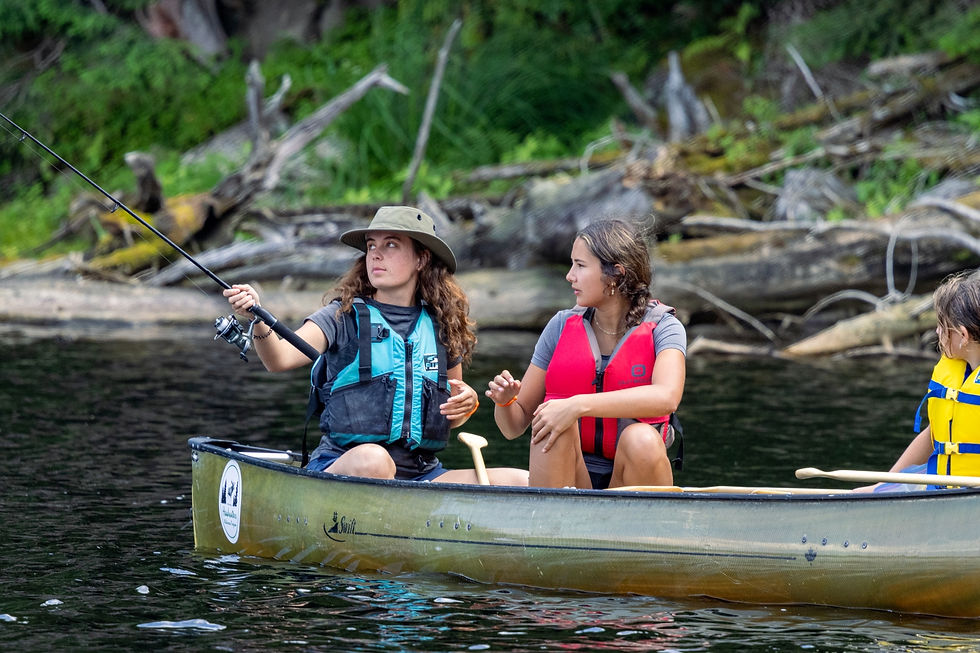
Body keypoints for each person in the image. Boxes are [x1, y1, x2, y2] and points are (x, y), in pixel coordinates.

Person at [224, 205, 527, 486]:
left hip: (422, 475)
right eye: (371, 246)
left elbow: (452, 414)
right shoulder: (341, 315)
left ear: (421, 259)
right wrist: (257, 319)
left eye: (391, 245)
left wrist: (468, 403)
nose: (376, 255)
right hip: (349, 465)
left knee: (521, 480)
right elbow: (279, 358)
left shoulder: (441, 325)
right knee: (375, 461)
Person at [486, 219, 686, 489]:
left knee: (641, 438)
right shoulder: (559, 326)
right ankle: (554, 514)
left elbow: (667, 397)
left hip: (631, 476)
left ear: (615, 274)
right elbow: (513, 427)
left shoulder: (665, 327)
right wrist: (505, 403)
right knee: (553, 421)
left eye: (580, 265)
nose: (570, 276)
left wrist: (576, 405)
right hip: (571, 475)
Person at [857, 269, 980, 492]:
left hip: (969, 492)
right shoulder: (960, 370)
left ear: (963, 336)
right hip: (945, 484)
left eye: (942, 325)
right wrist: (882, 484)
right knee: (872, 492)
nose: (937, 331)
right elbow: (933, 434)